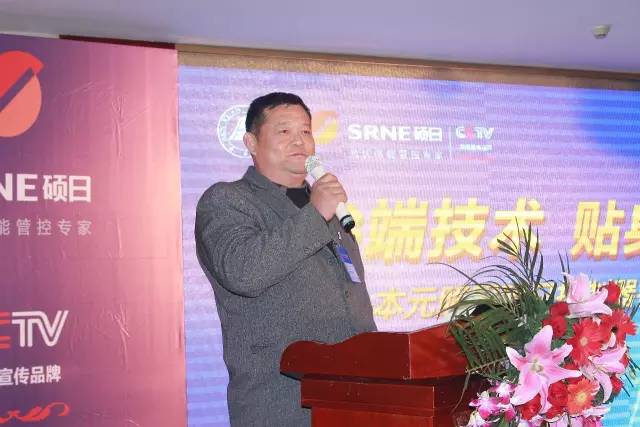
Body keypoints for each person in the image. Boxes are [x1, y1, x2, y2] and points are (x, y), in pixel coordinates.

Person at [195, 92, 377, 426]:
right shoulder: (227, 200)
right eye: (284, 131)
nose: (299, 141)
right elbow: (244, 271)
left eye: (306, 131)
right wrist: (315, 213)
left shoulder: (327, 208)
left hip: (355, 397)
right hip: (281, 400)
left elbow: (351, 295)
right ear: (251, 142)